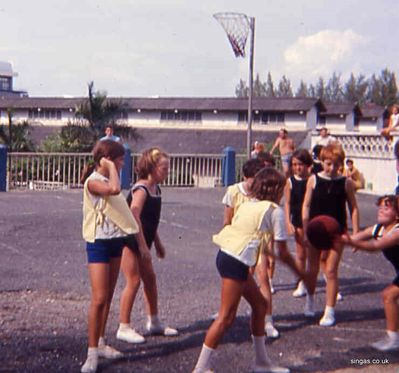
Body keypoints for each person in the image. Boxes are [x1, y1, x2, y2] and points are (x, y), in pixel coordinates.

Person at [192, 167, 307, 373]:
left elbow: (255, 239)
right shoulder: (275, 211)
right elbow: (283, 252)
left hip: (228, 256)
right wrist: (301, 273)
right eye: (282, 188)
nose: (284, 193)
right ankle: (199, 369)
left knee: (260, 305)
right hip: (235, 261)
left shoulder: (249, 205)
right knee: (226, 317)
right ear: (275, 190)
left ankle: (261, 364)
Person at [80, 140, 141, 373]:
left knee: (108, 297)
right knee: (98, 298)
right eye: (119, 159)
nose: (122, 163)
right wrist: (110, 167)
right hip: (98, 243)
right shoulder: (93, 182)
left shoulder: (107, 179)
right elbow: (115, 190)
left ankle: (102, 342)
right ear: (105, 160)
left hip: (115, 241)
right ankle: (91, 352)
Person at [117, 147, 178, 345]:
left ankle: (154, 321)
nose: (167, 172)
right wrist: (143, 246)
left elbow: (149, 221)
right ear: (151, 168)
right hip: (128, 239)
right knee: (133, 281)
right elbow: (134, 215)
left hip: (143, 239)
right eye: (164, 168)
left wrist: (157, 243)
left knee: (150, 280)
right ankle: (123, 326)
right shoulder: (141, 189)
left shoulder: (156, 189)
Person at [302, 143, 359, 326]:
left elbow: (354, 208)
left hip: (337, 231)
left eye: (336, 164)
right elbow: (306, 205)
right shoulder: (314, 180)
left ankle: (330, 311)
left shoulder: (346, 182)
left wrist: (355, 234)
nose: (332, 168)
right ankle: (310, 300)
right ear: (322, 161)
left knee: (332, 270)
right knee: (312, 269)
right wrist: (305, 228)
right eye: (328, 163)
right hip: (315, 230)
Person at [221, 158, 279, 338]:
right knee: (237, 280)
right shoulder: (233, 192)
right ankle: (227, 311)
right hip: (240, 244)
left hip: (259, 242)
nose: (258, 182)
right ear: (246, 177)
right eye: (254, 178)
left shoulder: (264, 193)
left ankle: (268, 320)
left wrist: (270, 249)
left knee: (263, 279)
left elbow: (269, 224)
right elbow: (227, 220)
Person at [343, 195, 399, 351]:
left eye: (386, 208)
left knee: (389, 295)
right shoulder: (378, 228)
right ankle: (393, 338)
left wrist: (353, 243)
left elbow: (375, 246)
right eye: (380, 207)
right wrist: (335, 239)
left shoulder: (397, 232)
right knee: (390, 296)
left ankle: (394, 340)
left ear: (397, 215)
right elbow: (354, 238)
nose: (381, 210)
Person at [284, 149, 313, 298]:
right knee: (301, 254)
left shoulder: (313, 180)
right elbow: (287, 203)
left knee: (320, 255)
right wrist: (288, 222)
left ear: (307, 165)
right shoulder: (290, 182)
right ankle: (301, 282)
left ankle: (331, 285)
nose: (297, 168)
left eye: (300, 164)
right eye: (294, 164)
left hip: (314, 219)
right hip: (298, 221)